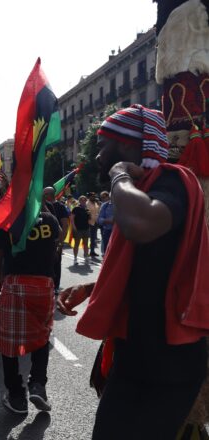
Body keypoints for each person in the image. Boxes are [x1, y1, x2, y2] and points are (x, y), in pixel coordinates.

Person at [57, 105, 209, 439]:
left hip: (171, 364)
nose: (97, 156)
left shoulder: (174, 179)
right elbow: (152, 269)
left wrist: (119, 175)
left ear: (127, 145)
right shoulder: (147, 190)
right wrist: (91, 286)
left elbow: (141, 224)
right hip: (136, 357)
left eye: (102, 145)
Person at [0, 205, 62, 414]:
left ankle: (16, 396)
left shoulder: (5, 223)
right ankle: (38, 383)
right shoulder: (50, 220)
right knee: (42, 336)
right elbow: (57, 246)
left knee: (7, 343)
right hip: (44, 286)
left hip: (15, 285)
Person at [43, 187, 70, 293]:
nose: (42, 196)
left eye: (44, 194)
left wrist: (60, 241)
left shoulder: (60, 206)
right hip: (44, 239)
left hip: (55, 240)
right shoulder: (40, 205)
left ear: (50, 195)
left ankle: (55, 286)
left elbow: (65, 225)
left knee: (56, 262)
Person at [70, 195, 91, 264]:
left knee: (86, 244)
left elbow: (89, 219)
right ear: (79, 201)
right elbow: (72, 219)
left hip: (86, 228)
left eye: (84, 200)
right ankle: (75, 258)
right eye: (81, 200)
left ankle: (86, 257)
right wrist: (74, 227)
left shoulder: (87, 209)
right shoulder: (76, 208)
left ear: (86, 201)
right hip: (78, 229)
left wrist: (90, 216)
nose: (83, 201)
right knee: (76, 244)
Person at [96, 191, 113, 256]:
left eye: (104, 197)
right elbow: (99, 220)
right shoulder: (105, 205)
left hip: (121, 232)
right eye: (101, 197)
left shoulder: (124, 205)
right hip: (108, 230)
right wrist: (109, 221)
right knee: (107, 251)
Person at [87, 193, 101, 257]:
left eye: (94, 196)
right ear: (89, 197)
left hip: (95, 222)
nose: (94, 197)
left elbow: (98, 211)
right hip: (89, 223)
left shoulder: (95, 203)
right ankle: (87, 251)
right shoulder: (87, 203)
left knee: (93, 238)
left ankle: (92, 251)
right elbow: (87, 213)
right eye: (92, 196)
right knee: (88, 238)